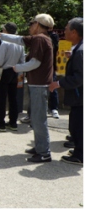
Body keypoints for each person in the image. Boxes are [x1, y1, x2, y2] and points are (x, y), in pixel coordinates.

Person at [0, 13, 54, 163]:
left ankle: (44, 152)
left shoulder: (40, 39)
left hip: (39, 84)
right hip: (38, 83)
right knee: (36, 118)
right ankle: (39, 146)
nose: (29, 26)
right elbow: (19, 39)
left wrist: (17, 67)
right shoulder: (42, 38)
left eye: (31, 23)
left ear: (37, 24)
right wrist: (0, 35)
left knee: (38, 119)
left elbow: (35, 63)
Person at [49, 17, 83, 165]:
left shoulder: (81, 51)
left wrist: (58, 83)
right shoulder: (79, 49)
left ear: (74, 32)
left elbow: (79, 78)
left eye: (67, 29)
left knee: (77, 126)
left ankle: (79, 155)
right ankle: (79, 150)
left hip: (80, 97)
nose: (64, 31)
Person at [0, 22, 25, 132]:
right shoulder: (20, 43)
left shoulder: (5, 42)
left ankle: (1, 123)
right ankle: (13, 122)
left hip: (4, 71)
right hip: (15, 71)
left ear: (5, 31)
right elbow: (22, 60)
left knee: (2, 98)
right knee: (13, 98)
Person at [48, 26, 60, 119]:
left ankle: (54, 108)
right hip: (41, 67)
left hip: (51, 65)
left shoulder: (54, 36)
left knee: (53, 86)